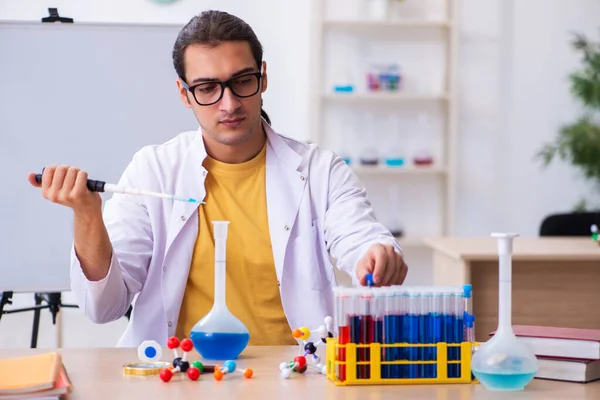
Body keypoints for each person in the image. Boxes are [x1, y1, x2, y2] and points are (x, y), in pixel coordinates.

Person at [28, 10, 408, 347]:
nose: (229, 104)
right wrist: (87, 215)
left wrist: (375, 255)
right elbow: (104, 307)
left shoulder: (320, 170)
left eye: (242, 81)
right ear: (184, 94)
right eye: (208, 88)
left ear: (263, 77)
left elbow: (360, 237)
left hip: (293, 375)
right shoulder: (153, 170)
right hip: (179, 378)